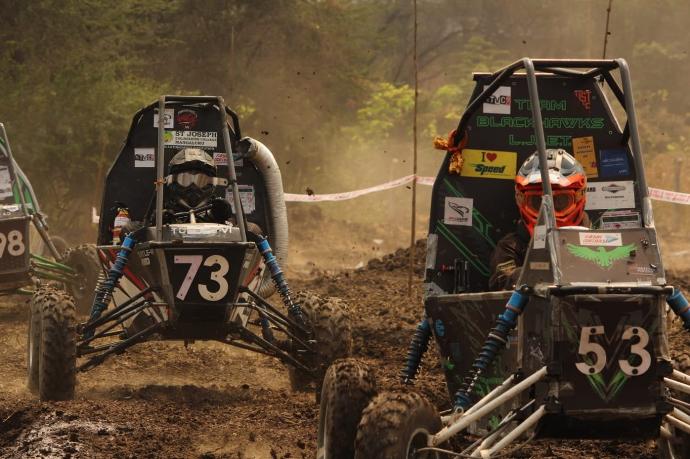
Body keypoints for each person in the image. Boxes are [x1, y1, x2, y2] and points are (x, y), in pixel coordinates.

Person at [488, 148, 588, 290]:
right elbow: (502, 281)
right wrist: (540, 270)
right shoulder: (511, 246)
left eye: (560, 201)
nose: (549, 210)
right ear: (521, 200)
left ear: (579, 197)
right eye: (537, 202)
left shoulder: (599, 240)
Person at [163, 148, 232, 224]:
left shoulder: (218, 213)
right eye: (185, 180)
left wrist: (222, 217)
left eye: (201, 180)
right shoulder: (163, 215)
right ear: (173, 183)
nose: (193, 187)